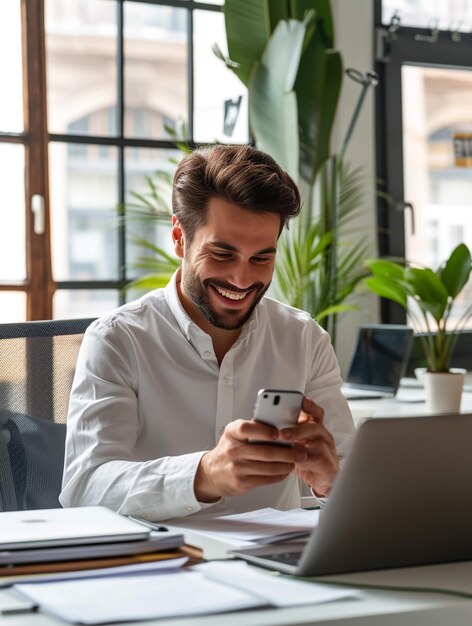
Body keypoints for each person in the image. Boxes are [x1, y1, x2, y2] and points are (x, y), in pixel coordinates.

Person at [60, 144, 355, 521]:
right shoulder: (118, 340)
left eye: (262, 258)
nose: (242, 279)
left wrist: (330, 481)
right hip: (158, 565)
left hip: (273, 571)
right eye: (222, 253)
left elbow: (351, 482)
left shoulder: (303, 339)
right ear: (180, 237)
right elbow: (85, 487)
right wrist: (204, 475)